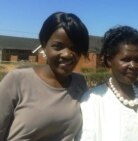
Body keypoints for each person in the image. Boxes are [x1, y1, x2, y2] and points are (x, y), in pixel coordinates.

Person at [0, 12, 89, 141]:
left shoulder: (79, 83)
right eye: (58, 46)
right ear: (44, 45)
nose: (67, 54)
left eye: (74, 48)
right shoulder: (17, 80)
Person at [80, 25, 138, 141]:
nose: (133, 65)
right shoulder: (93, 101)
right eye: (126, 60)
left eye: (137, 59)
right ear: (109, 60)